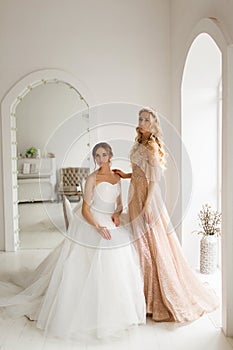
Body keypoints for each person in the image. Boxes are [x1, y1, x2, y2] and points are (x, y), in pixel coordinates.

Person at [0, 142, 146, 340]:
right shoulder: (92, 178)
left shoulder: (117, 178)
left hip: (110, 222)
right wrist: (98, 226)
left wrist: (117, 216)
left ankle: (113, 307)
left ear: (110, 156)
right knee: (97, 251)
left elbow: (118, 206)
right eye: (97, 155)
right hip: (92, 221)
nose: (100, 159)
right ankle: (85, 305)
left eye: (104, 154)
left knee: (119, 253)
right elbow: (85, 209)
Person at [113, 107, 219, 323]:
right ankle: (140, 298)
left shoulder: (151, 146)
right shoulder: (139, 143)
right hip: (135, 195)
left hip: (147, 199)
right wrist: (126, 175)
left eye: (147, 120)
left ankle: (152, 301)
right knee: (139, 245)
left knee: (149, 248)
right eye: (140, 118)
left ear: (153, 125)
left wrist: (146, 207)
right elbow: (140, 171)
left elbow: (153, 180)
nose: (142, 122)